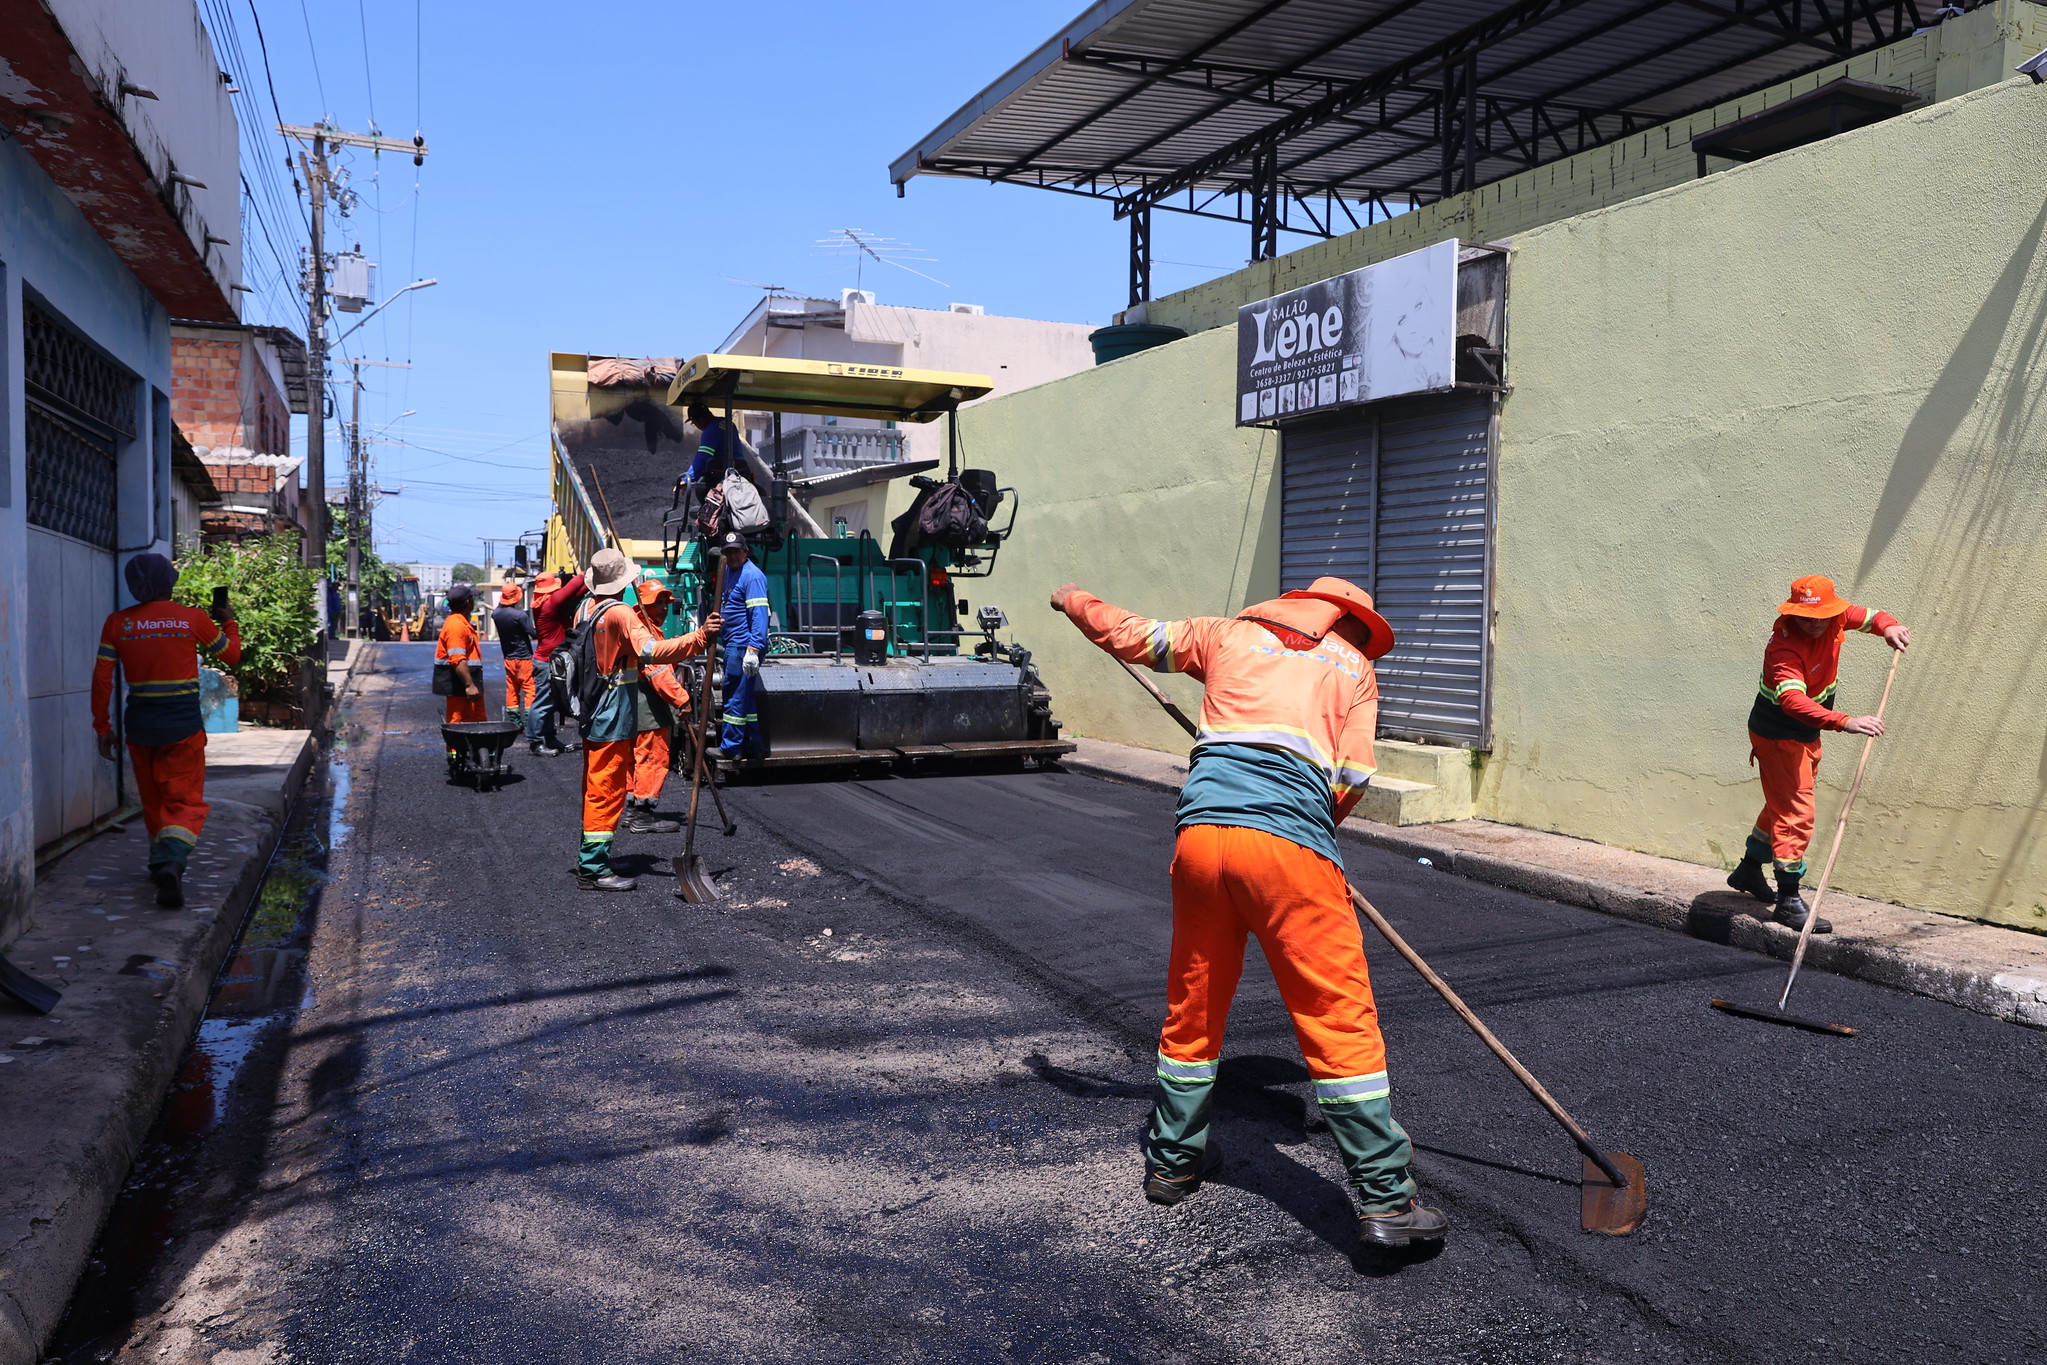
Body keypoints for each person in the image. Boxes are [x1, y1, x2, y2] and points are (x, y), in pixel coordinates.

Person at [1050, 575, 1449, 1249]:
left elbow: (1134, 636)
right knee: (1335, 1017)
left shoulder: (1225, 634)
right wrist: (1311, 833)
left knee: (1193, 1004)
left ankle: (1172, 1162)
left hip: (1201, 840)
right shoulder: (1353, 669)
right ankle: (1387, 1197)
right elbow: (1351, 777)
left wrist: (1074, 600)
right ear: (1347, 623)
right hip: (1291, 853)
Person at [1727, 574, 1909, 933]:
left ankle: (1749, 869)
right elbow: (1792, 702)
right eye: (1806, 617)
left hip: (1804, 734)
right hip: (1780, 735)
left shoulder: (1833, 616)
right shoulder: (1784, 648)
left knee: (1783, 803)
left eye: (1820, 617)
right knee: (1797, 813)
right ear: (1793, 613)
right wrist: (1846, 722)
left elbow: (1870, 616)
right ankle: (1788, 899)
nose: (1814, 623)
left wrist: (1889, 627)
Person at [91, 552, 242, 908]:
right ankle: (171, 862)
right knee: (186, 803)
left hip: (139, 728)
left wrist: (102, 726)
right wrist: (229, 622)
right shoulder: (192, 619)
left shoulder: (117, 623)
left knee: (154, 802)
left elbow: (102, 679)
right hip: (182, 729)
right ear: (168, 581)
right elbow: (232, 656)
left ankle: (160, 866)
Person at [574, 549, 718, 891]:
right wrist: (699, 638)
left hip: (593, 712)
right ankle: (592, 869)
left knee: (599, 788)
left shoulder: (584, 608)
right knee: (605, 791)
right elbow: (653, 652)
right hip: (611, 717)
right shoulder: (621, 613)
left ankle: (597, 857)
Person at [626, 576, 690, 833]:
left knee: (636, 758)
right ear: (643, 605)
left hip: (635, 706)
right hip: (648, 708)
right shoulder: (645, 633)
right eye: (657, 603)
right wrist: (682, 699)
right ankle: (642, 814)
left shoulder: (641, 627)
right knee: (653, 757)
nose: (664, 607)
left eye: (666, 602)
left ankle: (632, 810)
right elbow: (658, 673)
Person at [713, 531, 770, 761]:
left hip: (744, 645)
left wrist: (754, 649)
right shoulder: (728, 571)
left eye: (736, 551)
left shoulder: (752, 576)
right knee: (744, 696)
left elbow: (759, 615)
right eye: (728, 552)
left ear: (746, 551)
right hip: (733, 643)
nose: (733, 555)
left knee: (734, 695)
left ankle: (731, 747)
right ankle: (754, 745)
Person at [529, 568, 587, 756]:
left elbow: (577, 592)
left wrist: (589, 582)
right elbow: (574, 587)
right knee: (543, 703)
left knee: (550, 702)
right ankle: (535, 742)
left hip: (548, 660)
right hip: (547, 661)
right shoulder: (550, 604)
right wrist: (587, 573)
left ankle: (550, 738)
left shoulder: (546, 603)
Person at [438, 584, 486, 773]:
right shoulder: (457, 626)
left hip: (468, 682)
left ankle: (476, 754)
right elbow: (457, 659)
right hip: (461, 684)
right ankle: (457, 761)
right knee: (458, 722)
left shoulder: (460, 622)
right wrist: (469, 685)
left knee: (475, 720)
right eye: (472, 598)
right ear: (467, 603)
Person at [493, 578, 537, 734]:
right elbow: (533, 633)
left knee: (511, 690)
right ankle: (531, 723)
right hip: (524, 658)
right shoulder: (520, 616)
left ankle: (514, 723)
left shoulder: (496, 614)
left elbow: (498, 609)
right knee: (530, 690)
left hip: (508, 658)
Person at [684, 401, 740, 486]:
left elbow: (703, 458)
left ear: (699, 420)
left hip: (724, 474)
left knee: (702, 490)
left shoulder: (710, 431)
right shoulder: (729, 423)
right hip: (741, 470)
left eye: (693, 423)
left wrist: (688, 479)